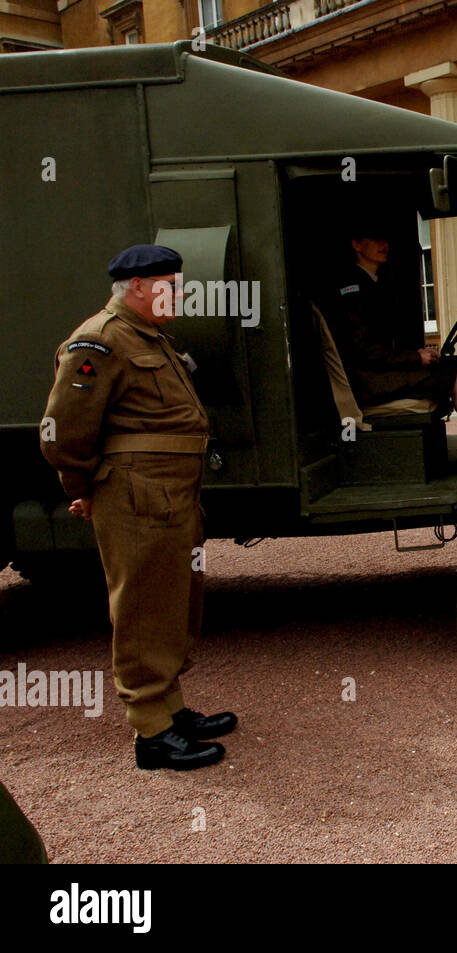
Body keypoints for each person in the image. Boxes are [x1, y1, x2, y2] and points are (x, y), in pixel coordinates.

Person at [40, 244, 235, 771]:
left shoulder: (148, 336)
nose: (179, 294)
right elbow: (63, 429)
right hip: (135, 496)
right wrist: (79, 485)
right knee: (143, 608)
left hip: (168, 496)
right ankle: (151, 732)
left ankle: (169, 708)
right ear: (139, 288)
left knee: (173, 600)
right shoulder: (100, 340)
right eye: (170, 286)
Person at [328, 227, 457, 449]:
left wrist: (418, 355)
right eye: (375, 238)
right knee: (455, 376)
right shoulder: (353, 290)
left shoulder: (374, 283)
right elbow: (366, 351)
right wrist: (415, 358)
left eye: (384, 239)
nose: (383, 245)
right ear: (357, 245)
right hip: (370, 381)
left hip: (382, 372)